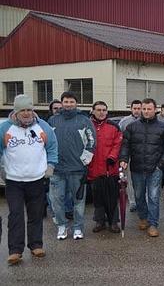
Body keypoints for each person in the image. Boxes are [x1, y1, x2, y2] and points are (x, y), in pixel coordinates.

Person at [0, 95, 58, 265]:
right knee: (16, 214)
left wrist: (51, 166)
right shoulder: (5, 129)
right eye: (22, 110)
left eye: (29, 110)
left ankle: (36, 245)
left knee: (35, 214)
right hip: (13, 181)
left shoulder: (43, 127)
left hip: (37, 179)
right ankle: (15, 250)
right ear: (16, 112)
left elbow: (53, 147)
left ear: (33, 111)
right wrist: (1, 170)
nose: (26, 113)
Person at [119, 98, 164, 237]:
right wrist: (124, 159)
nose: (146, 111)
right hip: (137, 167)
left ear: (154, 109)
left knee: (154, 197)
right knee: (138, 196)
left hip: (155, 169)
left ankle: (154, 224)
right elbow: (125, 146)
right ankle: (143, 218)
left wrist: (161, 165)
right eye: (144, 109)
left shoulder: (163, 127)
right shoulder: (132, 127)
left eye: (149, 109)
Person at [48, 92, 96, 241]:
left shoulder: (84, 120)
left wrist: (85, 160)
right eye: (66, 101)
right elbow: (46, 142)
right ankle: (62, 226)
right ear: (62, 103)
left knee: (78, 201)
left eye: (71, 101)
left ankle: (78, 227)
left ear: (76, 103)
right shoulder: (52, 120)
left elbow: (92, 141)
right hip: (57, 169)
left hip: (77, 170)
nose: (68, 104)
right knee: (56, 201)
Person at [87, 101, 122, 233]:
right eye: (98, 110)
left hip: (110, 168)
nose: (101, 112)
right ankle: (100, 221)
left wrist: (112, 157)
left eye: (104, 110)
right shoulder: (88, 126)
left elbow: (118, 143)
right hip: (94, 168)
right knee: (98, 197)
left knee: (112, 197)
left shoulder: (114, 126)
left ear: (107, 111)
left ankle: (114, 222)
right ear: (93, 111)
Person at [118, 100, 142, 213]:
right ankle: (132, 202)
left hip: (143, 156)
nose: (137, 111)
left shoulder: (146, 121)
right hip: (129, 156)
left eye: (139, 108)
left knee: (142, 180)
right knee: (130, 180)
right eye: (135, 108)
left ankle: (142, 200)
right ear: (131, 109)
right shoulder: (124, 122)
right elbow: (119, 139)